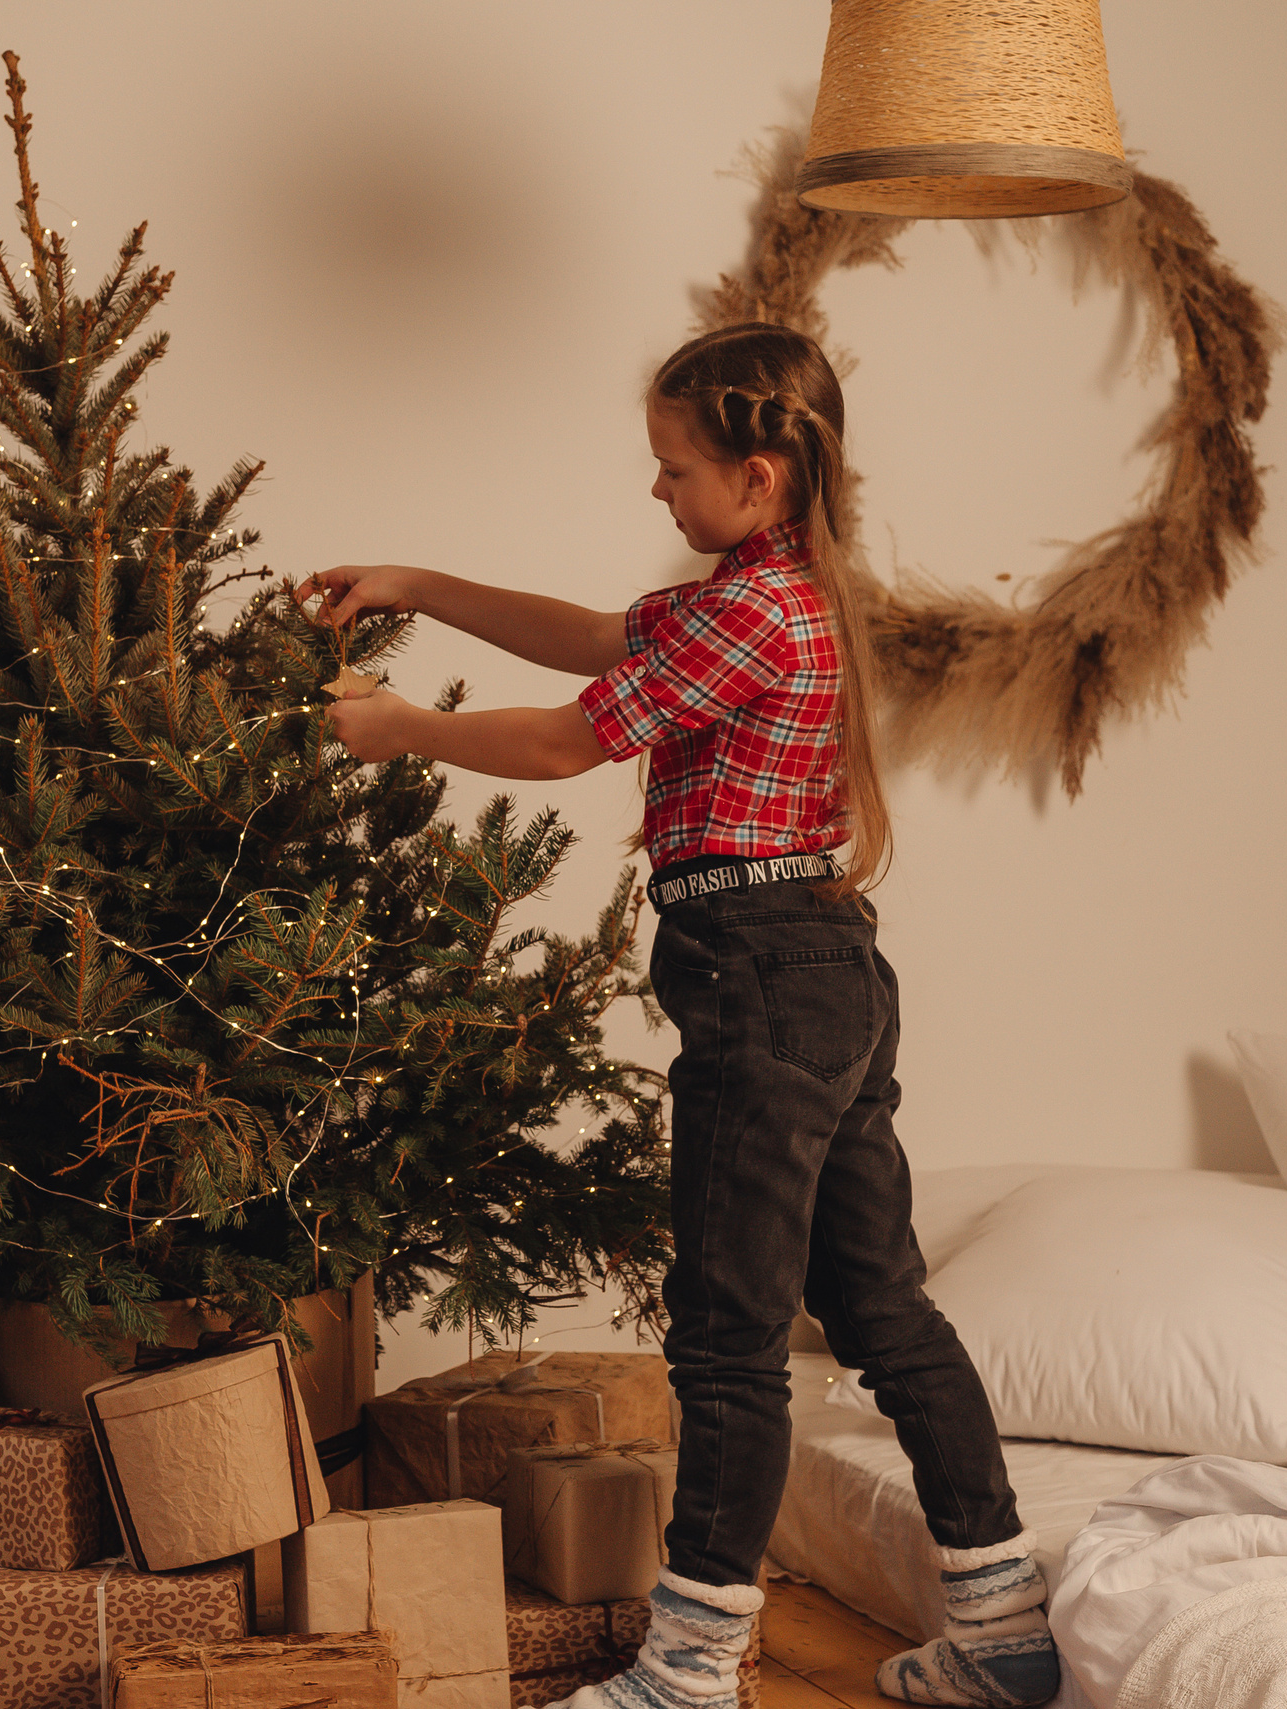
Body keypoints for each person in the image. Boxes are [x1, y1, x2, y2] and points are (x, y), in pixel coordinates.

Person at [300, 322, 1057, 1709]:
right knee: (879, 1303)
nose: (658, 491)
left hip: (763, 980)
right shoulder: (764, 591)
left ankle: (691, 1668)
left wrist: (399, 727)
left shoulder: (756, 613)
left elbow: (567, 735)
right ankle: (1004, 1626)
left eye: (674, 468)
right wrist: (412, 581)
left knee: (726, 1336)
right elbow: (593, 636)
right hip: (821, 969)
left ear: (758, 479)